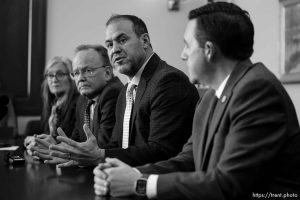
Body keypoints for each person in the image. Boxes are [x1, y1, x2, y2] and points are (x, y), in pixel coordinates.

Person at [93, 2, 300, 199]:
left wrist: (141, 183)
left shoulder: (257, 91)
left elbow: (229, 184)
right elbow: (189, 159)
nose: (183, 55)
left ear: (208, 50)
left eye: (187, 45)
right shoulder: (210, 96)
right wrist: (126, 174)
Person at [48, 14, 199, 167]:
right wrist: (79, 157)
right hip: (121, 179)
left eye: (122, 40)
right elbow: (116, 145)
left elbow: (161, 151)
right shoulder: (127, 90)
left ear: (144, 41)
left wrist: (100, 156)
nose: (115, 50)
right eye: (109, 45)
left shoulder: (168, 81)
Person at [31, 44, 123, 166]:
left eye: (88, 71)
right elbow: (76, 139)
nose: (80, 78)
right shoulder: (83, 99)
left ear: (107, 73)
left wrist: (65, 152)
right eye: (76, 73)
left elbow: (101, 147)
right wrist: (57, 147)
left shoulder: (112, 93)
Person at [24, 56, 79, 154]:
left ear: (72, 77)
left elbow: (75, 141)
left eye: (60, 74)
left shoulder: (79, 103)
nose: (54, 79)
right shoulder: (52, 104)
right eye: (50, 75)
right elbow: (47, 135)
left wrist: (51, 144)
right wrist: (36, 140)